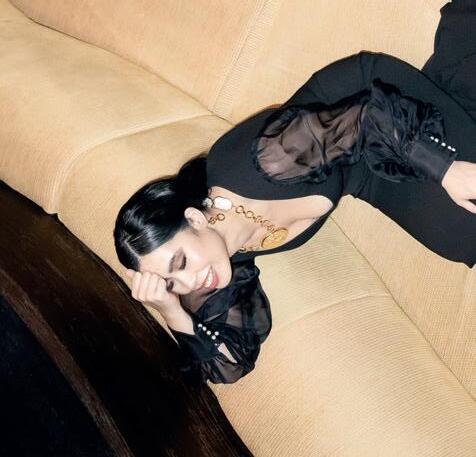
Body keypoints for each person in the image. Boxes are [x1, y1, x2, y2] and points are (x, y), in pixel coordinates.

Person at [114, 1, 476, 384]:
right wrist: (171, 309)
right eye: (172, 283)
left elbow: (366, 117)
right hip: (363, 172)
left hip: (372, 106)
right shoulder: (212, 267)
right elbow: (229, 364)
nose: (190, 283)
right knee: (465, 235)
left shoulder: (260, 163)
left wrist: (444, 168)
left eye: (180, 264)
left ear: (194, 218)